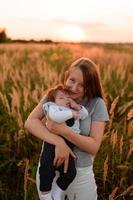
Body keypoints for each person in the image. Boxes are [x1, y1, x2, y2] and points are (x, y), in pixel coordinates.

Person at [24, 57, 109, 200]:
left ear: (90, 86)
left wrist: (64, 131)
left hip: (80, 174)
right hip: (49, 167)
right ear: (66, 76)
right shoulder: (55, 95)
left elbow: (94, 147)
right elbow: (30, 122)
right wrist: (59, 142)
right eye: (72, 80)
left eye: (82, 85)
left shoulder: (96, 104)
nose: (75, 88)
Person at [39, 84, 88, 200]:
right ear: (54, 101)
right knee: (46, 168)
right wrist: (71, 114)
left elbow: (84, 115)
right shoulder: (53, 108)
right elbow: (56, 117)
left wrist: (76, 107)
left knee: (70, 172)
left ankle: (58, 190)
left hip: (69, 145)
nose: (66, 99)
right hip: (52, 142)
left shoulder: (72, 108)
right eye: (61, 97)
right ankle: (45, 194)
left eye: (67, 97)